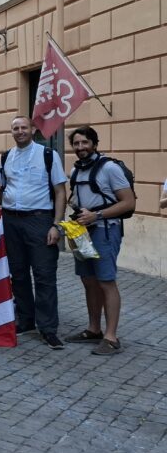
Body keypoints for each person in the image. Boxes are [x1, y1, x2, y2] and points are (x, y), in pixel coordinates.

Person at [0, 116, 68, 350]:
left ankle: (48, 328)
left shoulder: (48, 155)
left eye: (23, 127)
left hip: (39, 220)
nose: (19, 131)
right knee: (17, 274)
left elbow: (60, 192)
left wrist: (57, 225)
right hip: (11, 220)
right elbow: (2, 188)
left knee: (44, 275)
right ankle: (25, 320)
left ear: (33, 130)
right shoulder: (6, 157)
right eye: (15, 128)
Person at [63, 126, 135, 356]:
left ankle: (111, 337)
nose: (80, 148)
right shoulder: (77, 170)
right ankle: (93, 329)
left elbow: (128, 202)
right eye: (76, 144)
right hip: (83, 232)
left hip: (105, 230)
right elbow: (76, 197)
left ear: (94, 143)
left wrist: (97, 215)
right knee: (88, 280)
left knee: (106, 281)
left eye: (85, 143)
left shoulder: (110, 168)